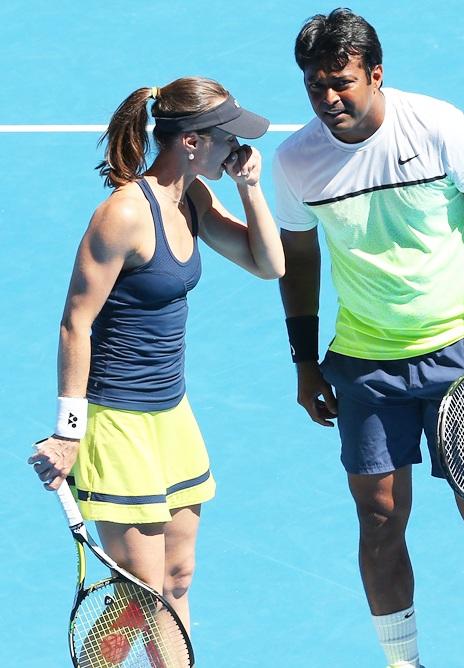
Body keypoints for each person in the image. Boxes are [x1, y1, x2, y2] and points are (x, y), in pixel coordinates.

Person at [274, 9, 464, 668]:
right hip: (365, 363)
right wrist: (304, 361)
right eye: (315, 86)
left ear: (375, 74)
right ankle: (401, 663)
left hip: (460, 354)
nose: (328, 98)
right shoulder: (297, 161)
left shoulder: (439, 127)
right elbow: (301, 263)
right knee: (380, 518)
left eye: (341, 82)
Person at [29, 76, 284, 640]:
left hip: (172, 416)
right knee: (144, 601)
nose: (238, 149)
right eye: (228, 139)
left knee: (177, 578)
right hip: (118, 421)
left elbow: (268, 264)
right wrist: (69, 434)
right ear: (190, 141)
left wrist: (250, 190)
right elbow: (76, 322)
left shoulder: (191, 196)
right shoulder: (123, 215)